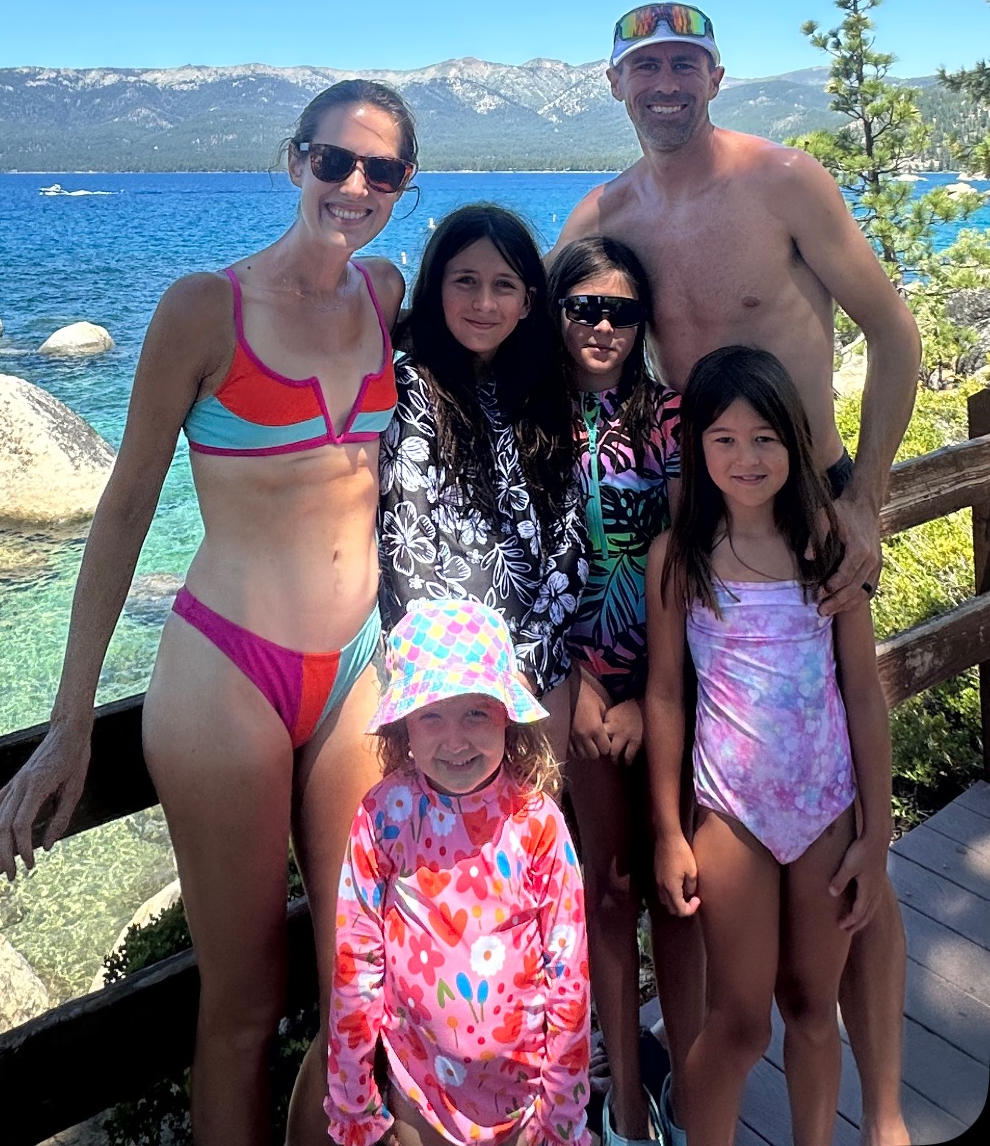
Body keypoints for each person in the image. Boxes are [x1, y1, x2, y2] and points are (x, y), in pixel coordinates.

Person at [0, 79, 415, 1146]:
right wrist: (70, 719)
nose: (353, 185)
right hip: (228, 666)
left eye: (382, 169)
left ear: (404, 185)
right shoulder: (202, 307)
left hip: (360, 657)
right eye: (333, 159)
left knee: (363, 990)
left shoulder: (388, 292)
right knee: (242, 1006)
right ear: (293, 159)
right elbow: (127, 504)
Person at [555, 2, 919, 1146]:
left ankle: (893, 1109)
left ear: (715, 74)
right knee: (725, 824)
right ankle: (710, 1068)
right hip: (701, 561)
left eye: (683, 62)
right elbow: (552, 355)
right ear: (616, 84)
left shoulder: (785, 181)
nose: (665, 81)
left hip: (812, 541)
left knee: (857, 832)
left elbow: (894, 333)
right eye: (643, 66)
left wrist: (864, 497)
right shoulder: (603, 215)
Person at [645, 346, 893, 1146]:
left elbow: (861, 692)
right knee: (739, 1021)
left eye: (763, 438)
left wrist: (876, 834)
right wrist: (666, 831)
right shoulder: (678, 559)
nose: (744, 457)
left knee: (812, 1010)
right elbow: (664, 694)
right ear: (697, 449)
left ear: (791, 441)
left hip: (826, 809)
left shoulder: (828, 549)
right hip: (730, 815)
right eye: (722, 438)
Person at [325, 595, 593, 1146]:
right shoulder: (383, 818)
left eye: (475, 710)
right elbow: (356, 963)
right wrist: (356, 1106)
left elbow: (570, 978)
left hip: (525, 1102)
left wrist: (560, 1111)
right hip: (417, 1091)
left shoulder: (538, 824)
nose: (456, 738)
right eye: (432, 716)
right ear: (405, 727)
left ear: (505, 714)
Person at [547, 237, 704, 1146]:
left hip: (671, 685)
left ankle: (691, 1073)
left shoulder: (671, 417)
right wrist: (584, 692)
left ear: (643, 322)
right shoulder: (525, 417)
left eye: (620, 310)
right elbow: (520, 568)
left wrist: (653, 694)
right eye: (582, 307)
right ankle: (624, 1093)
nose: (601, 325)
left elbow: (683, 560)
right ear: (556, 313)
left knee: (678, 893)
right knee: (606, 887)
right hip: (575, 691)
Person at [378, 204, 587, 761]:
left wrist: (531, 661)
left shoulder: (544, 390)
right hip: (445, 687)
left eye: (504, 285)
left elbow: (569, 536)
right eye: (465, 281)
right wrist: (470, 679)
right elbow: (408, 543)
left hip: (540, 673)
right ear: (435, 287)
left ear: (528, 303)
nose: (484, 303)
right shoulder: (407, 387)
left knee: (536, 835)